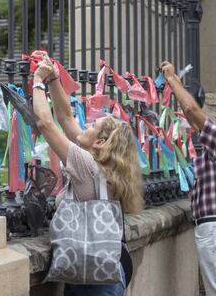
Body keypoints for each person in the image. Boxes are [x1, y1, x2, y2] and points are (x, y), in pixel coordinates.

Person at [32, 54, 144, 296]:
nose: (86, 125)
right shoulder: (105, 169)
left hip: (92, 283)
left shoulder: (87, 166)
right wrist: (54, 79)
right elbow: (65, 117)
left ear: (101, 142)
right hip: (103, 273)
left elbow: (46, 123)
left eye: (92, 126)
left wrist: (38, 82)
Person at [161, 61, 216, 296]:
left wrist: (173, 79)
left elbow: (193, 112)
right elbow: (191, 117)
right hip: (215, 227)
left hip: (215, 227)